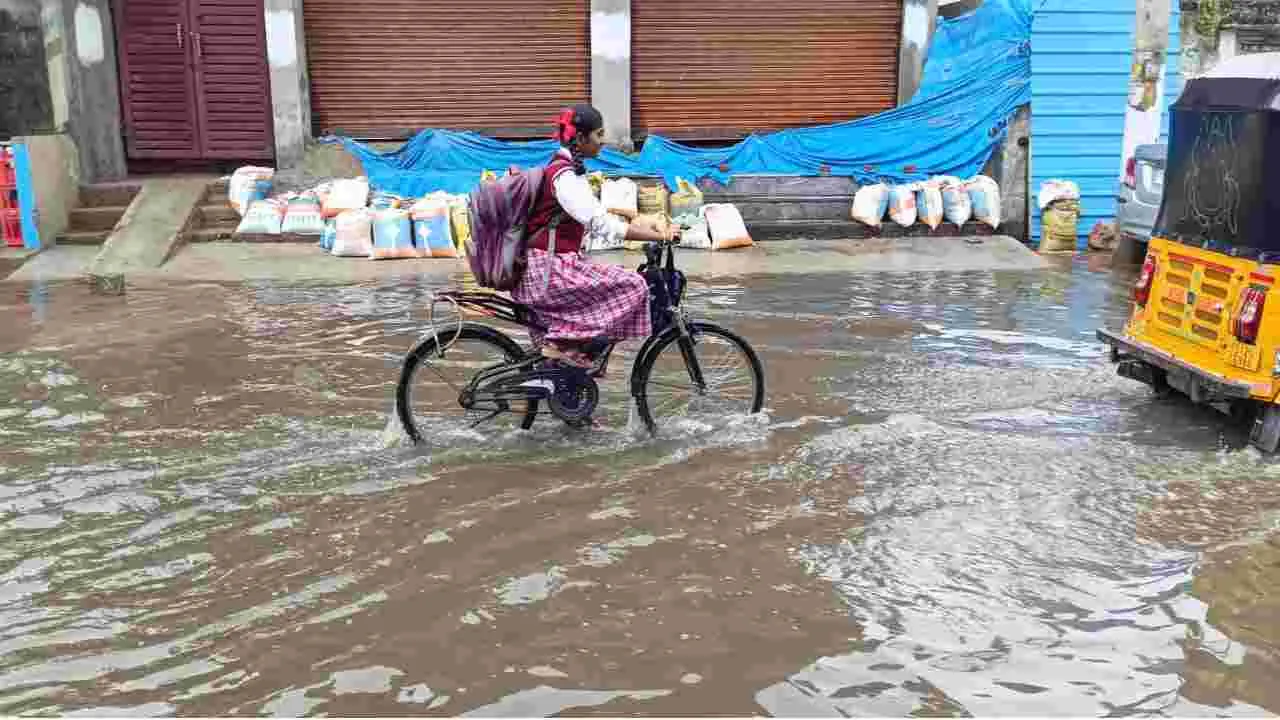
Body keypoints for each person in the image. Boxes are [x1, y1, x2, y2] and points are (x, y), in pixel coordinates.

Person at [514, 104, 675, 369]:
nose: (603, 141)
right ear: (580, 139)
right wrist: (652, 235)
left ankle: (569, 355)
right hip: (548, 272)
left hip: (552, 266)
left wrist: (646, 224)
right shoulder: (564, 175)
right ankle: (561, 345)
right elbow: (599, 223)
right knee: (634, 285)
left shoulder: (566, 170)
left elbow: (592, 212)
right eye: (599, 134)